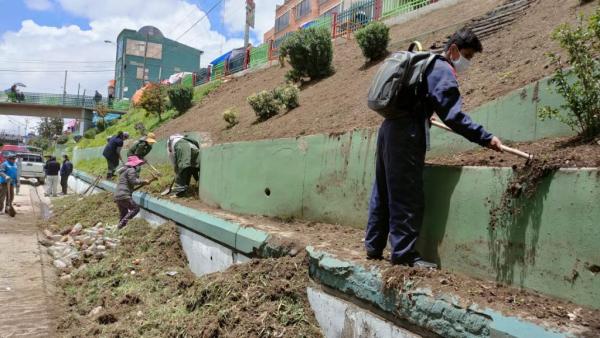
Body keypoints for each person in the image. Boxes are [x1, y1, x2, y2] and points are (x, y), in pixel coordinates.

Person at [364, 28, 503, 269]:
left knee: (384, 189)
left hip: (389, 128)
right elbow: (453, 115)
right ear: (453, 49)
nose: (467, 62)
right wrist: (485, 138)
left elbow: (419, 99)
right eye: (467, 56)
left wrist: (422, 114)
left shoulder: (425, 63)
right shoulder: (441, 68)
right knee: (407, 194)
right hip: (406, 134)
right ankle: (404, 255)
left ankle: (374, 246)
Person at [114, 156, 149, 229]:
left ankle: (119, 229)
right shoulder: (131, 170)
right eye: (138, 164)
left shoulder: (124, 171)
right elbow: (133, 181)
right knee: (135, 208)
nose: (139, 166)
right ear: (135, 164)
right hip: (124, 195)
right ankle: (121, 225)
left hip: (118, 195)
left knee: (124, 214)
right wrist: (143, 181)